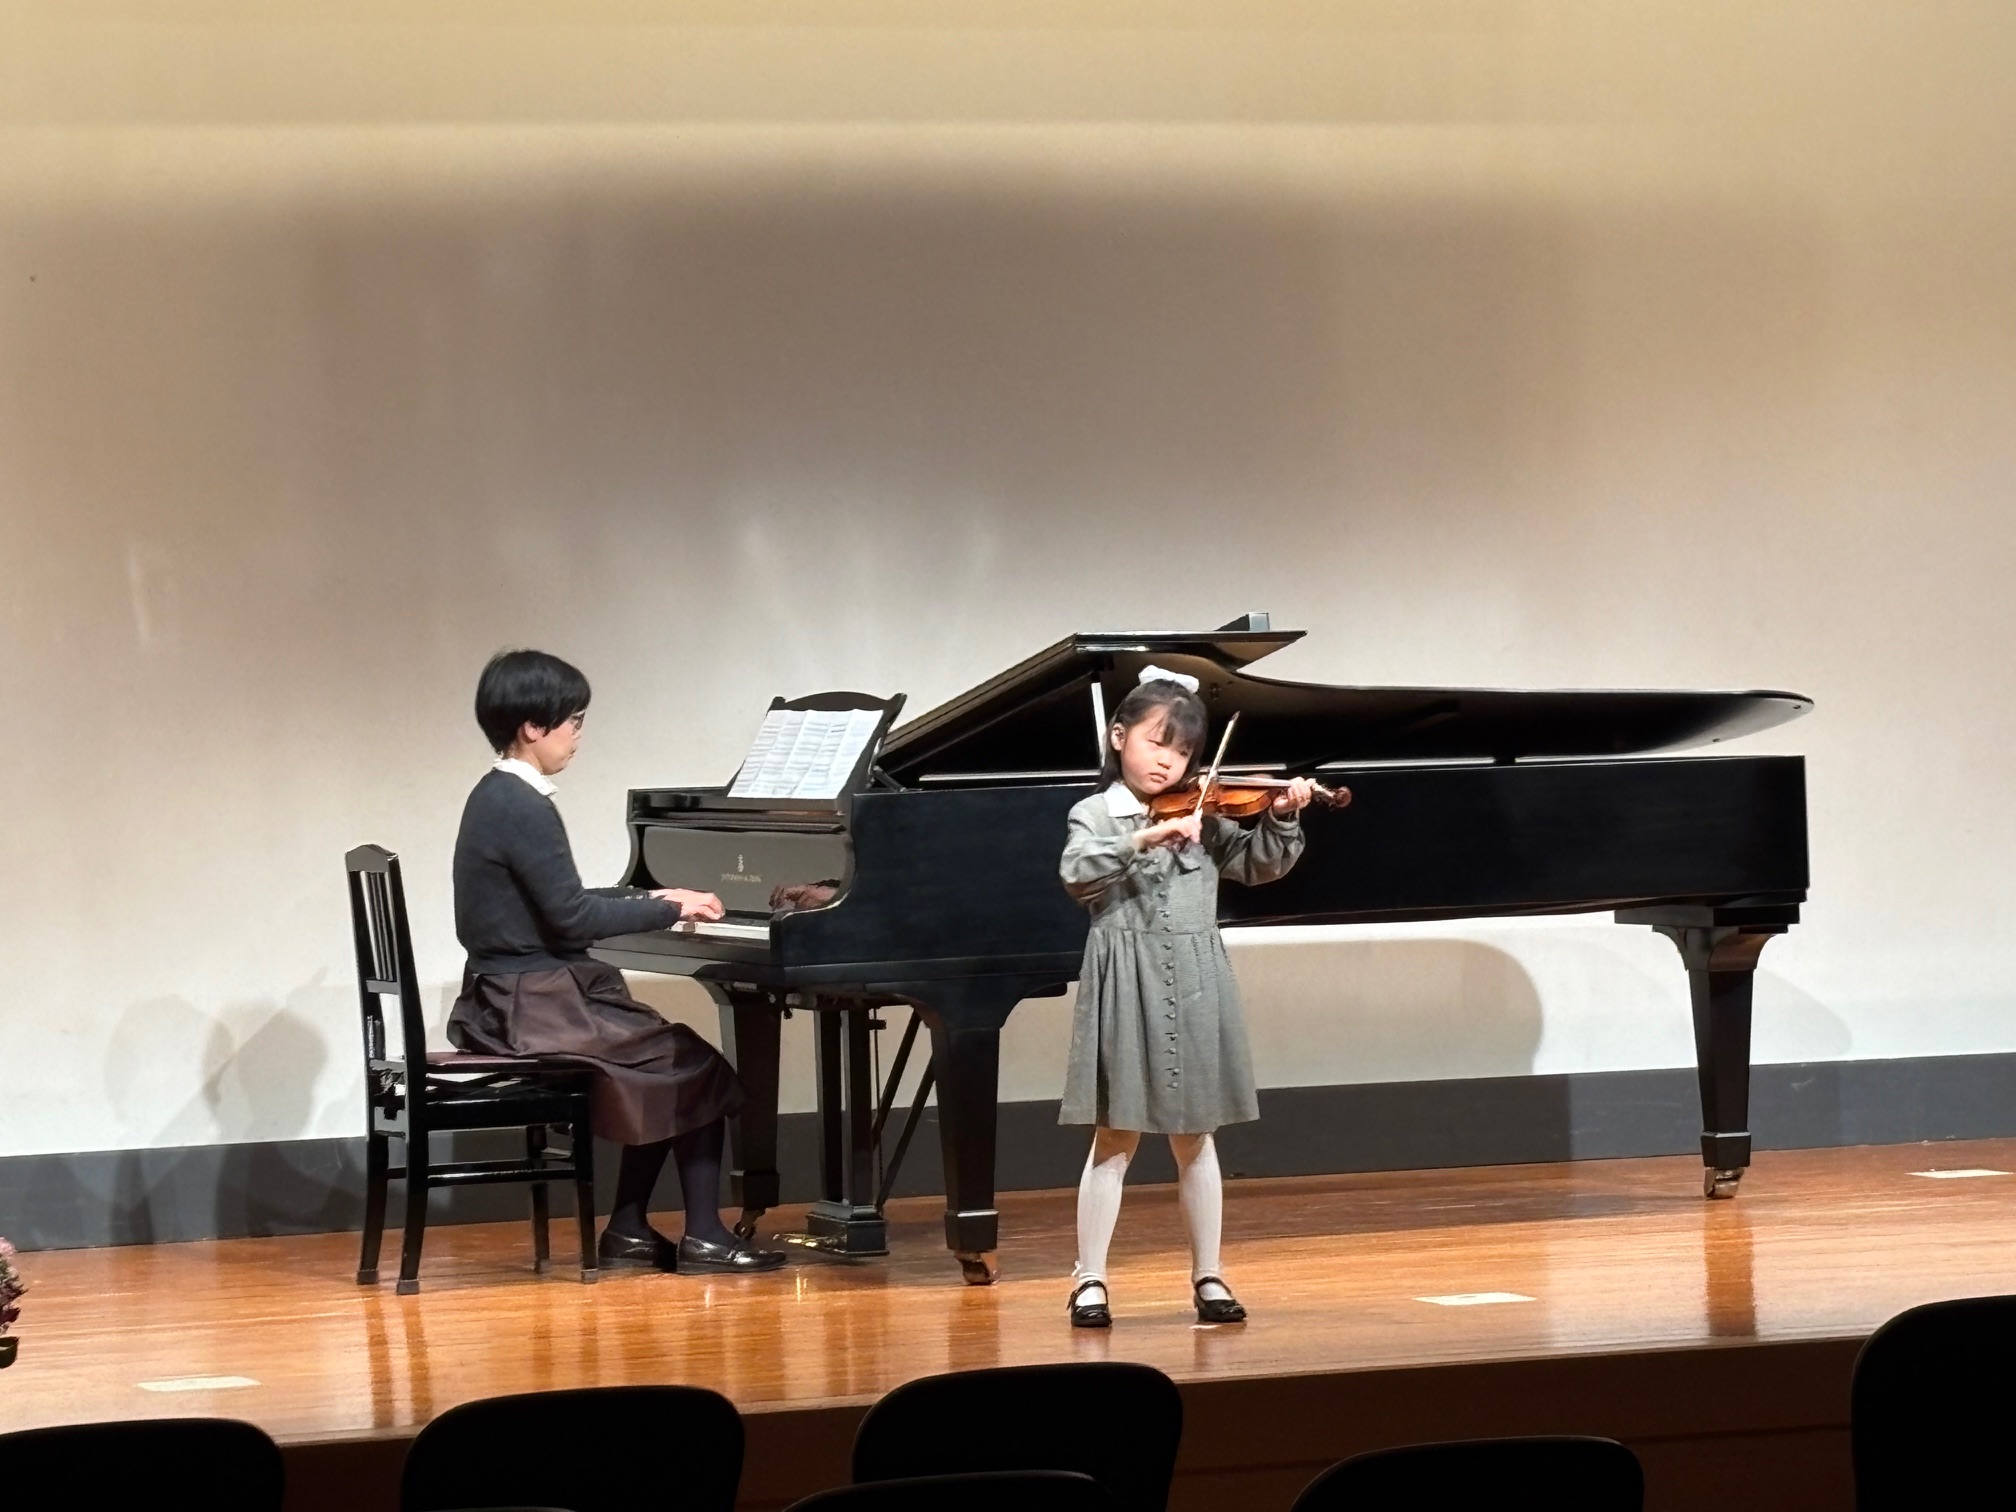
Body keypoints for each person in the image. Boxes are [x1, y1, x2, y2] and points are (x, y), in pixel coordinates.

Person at [448, 648, 785, 1274]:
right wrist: (668, 909)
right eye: (574, 721)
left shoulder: (497, 795)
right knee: (691, 1063)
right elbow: (572, 918)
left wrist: (646, 897)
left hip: (513, 994)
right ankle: (704, 1236)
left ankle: (630, 1228)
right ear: (533, 727)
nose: (579, 735)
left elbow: (558, 901)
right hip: (532, 1005)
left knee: (667, 1060)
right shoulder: (521, 805)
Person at [1058, 666, 1313, 1326]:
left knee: (1195, 1137)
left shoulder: (1206, 811)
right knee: (1115, 1137)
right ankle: (1090, 1279)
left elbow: (1258, 863)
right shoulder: (1095, 813)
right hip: (1128, 976)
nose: (1166, 762)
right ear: (1119, 737)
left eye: (1181, 752)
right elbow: (1077, 872)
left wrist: (1282, 815)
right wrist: (1142, 837)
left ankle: (1209, 1275)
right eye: (1155, 742)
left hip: (1196, 978)